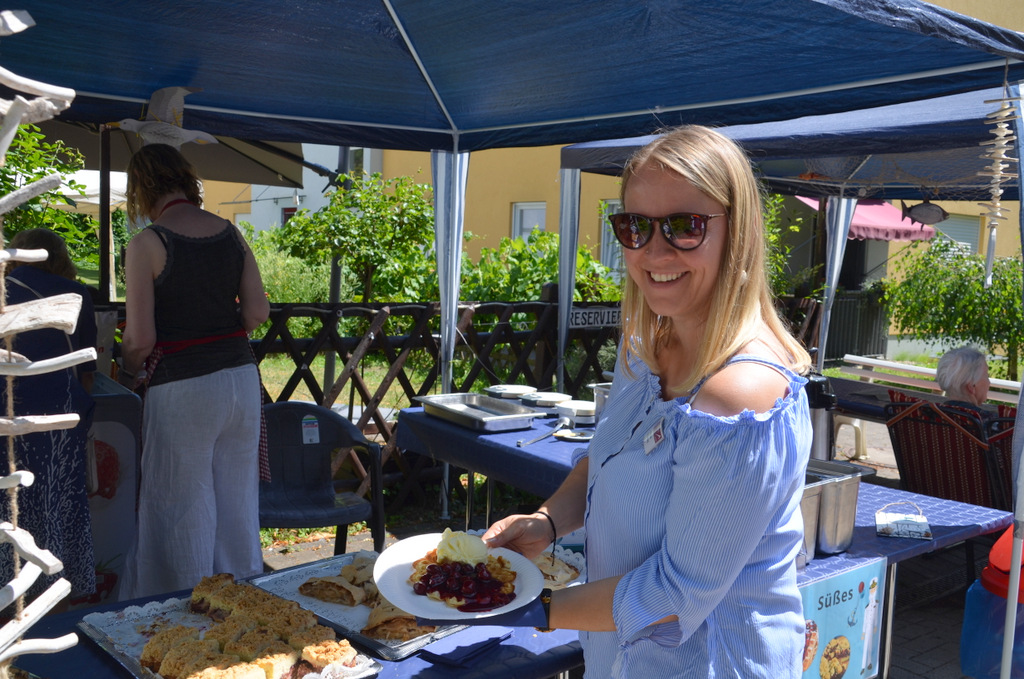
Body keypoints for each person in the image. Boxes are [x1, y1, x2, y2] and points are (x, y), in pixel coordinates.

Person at [482, 125, 813, 677]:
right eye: (635, 226)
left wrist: (528, 609)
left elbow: (674, 594)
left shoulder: (739, 395)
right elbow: (604, 460)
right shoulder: (644, 348)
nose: (654, 250)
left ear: (738, 232)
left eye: (684, 226)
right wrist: (547, 523)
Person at [119, 143, 270, 599]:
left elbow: (139, 340)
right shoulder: (230, 233)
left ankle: (183, 616)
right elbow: (258, 312)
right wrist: (219, 332)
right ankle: (244, 608)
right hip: (240, 382)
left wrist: (127, 371)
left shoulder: (147, 244)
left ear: (141, 189)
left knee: (180, 508)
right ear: (185, 179)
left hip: (182, 388)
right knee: (237, 504)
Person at [1, 228, 97, 607]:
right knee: (57, 504)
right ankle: (57, 595)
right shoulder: (76, 294)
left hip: (8, 415)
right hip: (60, 419)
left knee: (10, 505)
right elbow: (87, 373)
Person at [935, 345, 993, 419]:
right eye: (986, 375)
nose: (989, 383)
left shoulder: (931, 415)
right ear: (971, 386)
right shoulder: (990, 421)